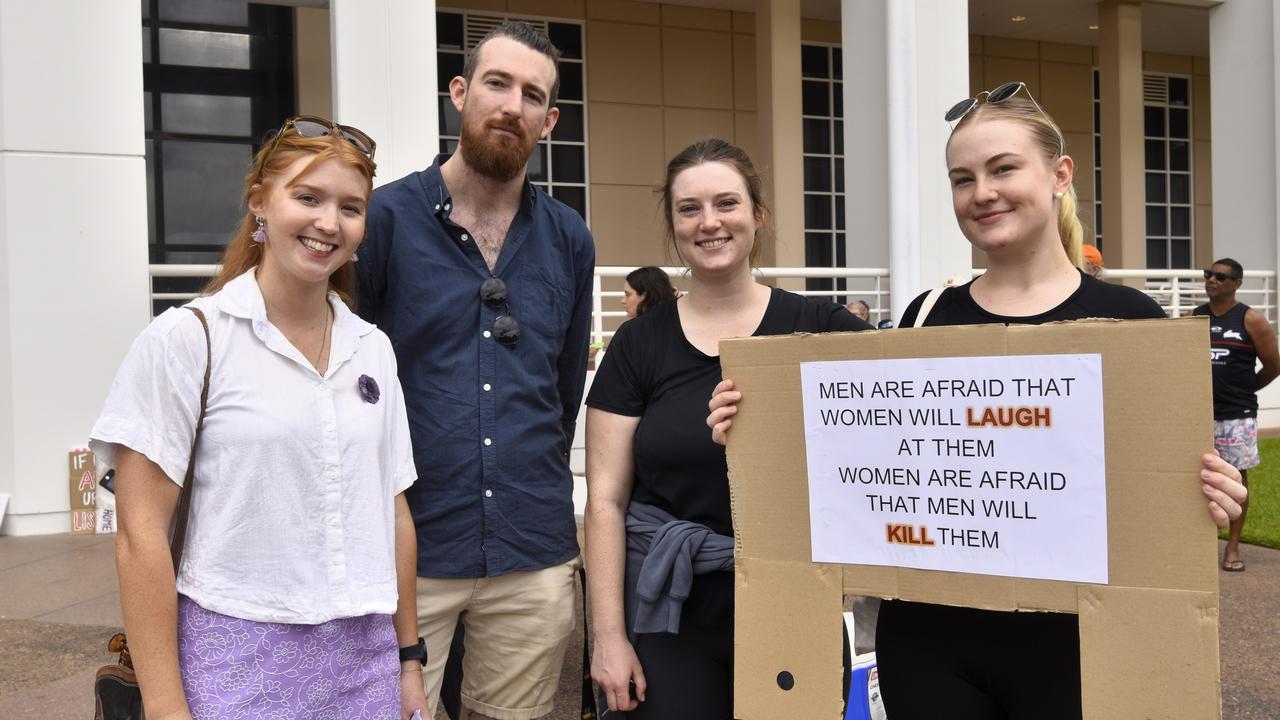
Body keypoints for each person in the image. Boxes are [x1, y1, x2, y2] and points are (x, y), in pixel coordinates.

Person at [706, 82, 1248, 720]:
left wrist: (1206, 493)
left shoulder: (1131, 323)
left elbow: (1152, 482)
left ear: (1059, 175)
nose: (982, 193)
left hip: (1076, 647)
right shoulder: (926, 316)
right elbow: (872, 462)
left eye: (1004, 168)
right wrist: (756, 428)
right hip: (931, 644)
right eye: (962, 179)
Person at [92, 116, 428, 719]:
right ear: (259, 204)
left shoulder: (372, 347)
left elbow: (393, 511)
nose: (329, 222)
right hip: (233, 664)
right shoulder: (187, 340)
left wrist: (408, 661)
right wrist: (169, 710)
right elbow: (140, 538)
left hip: (366, 666)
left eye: (351, 207)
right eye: (308, 197)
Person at [356, 20, 595, 720]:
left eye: (531, 95)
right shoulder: (384, 219)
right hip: (410, 546)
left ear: (548, 120)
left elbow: (563, 388)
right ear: (459, 92)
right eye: (496, 83)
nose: (510, 105)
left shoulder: (569, 238)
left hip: (532, 547)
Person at [585, 139, 872, 719]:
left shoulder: (821, 328)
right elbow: (605, 501)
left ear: (757, 215)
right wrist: (607, 636)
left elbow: (892, 443)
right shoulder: (639, 343)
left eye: (726, 203)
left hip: (793, 603)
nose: (709, 222)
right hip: (668, 609)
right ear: (673, 225)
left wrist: (771, 438)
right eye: (689, 209)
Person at [1194, 258, 1280, 572]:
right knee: (1197, 480)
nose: (1211, 280)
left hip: (1236, 415)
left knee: (1235, 481)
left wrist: (1247, 391)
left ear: (1236, 284)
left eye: (1220, 276)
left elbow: (1273, 365)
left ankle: (1232, 546)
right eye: (1208, 275)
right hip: (1198, 413)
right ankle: (1198, 544)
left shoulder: (1251, 320)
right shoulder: (1194, 317)